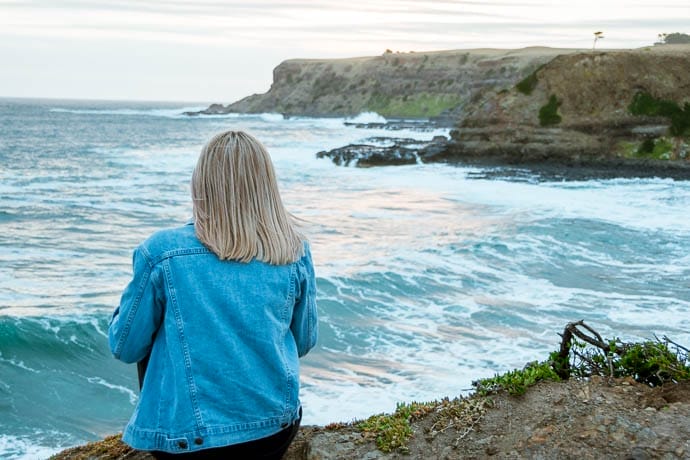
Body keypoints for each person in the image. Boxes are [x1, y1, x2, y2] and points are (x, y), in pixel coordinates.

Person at [108, 130, 318, 459]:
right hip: (273, 433)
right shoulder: (293, 250)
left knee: (161, 320)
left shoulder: (161, 251)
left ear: (201, 184)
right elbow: (304, 342)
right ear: (266, 188)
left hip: (190, 446)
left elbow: (125, 347)